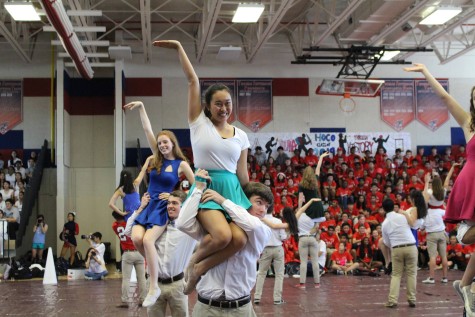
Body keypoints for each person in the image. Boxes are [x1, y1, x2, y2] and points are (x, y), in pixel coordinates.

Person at [154, 40, 254, 295]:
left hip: (232, 189)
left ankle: (199, 269)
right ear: (208, 106)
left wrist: (251, 199)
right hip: (206, 186)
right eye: (219, 103)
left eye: (228, 103)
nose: (224, 108)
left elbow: (242, 173)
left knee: (240, 239)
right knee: (222, 236)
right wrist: (179, 47)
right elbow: (192, 81)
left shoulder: (242, 135)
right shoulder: (198, 123)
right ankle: (192, 264)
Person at [405, 63, 475, 314]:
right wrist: (426, 72)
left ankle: (466, 286)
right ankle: (468, 289)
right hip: (471, 181)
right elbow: (445, 98)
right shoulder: (469, 124)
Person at [124, 101, 194, 307]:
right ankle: (157, 268)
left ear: (173, 144)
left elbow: (195, 186)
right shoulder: (156, 159)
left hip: (162, 207)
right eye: (160, 143)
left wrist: (175, 196)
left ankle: (153, 285)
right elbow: (147, 128)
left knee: (147, 241)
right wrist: (142, 107)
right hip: (147, 204)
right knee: (136, 238)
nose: (162, 145)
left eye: (166, 142)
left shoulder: (180, 164)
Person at [176, 169, 273, 317]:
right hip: (207, 307)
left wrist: (222, 200)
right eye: (259, 202)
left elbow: (252, 225)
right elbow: (182, 223)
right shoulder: (215, 226)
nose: (262, 210)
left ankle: (194, 265)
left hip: (241, 308)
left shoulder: (263, 230)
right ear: (243, 201)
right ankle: (194, 265)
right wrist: (197, 188)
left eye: (266, 206)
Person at [137, 190, 197, 317]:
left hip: (177, 284)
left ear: (184, 206)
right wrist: (141, 207)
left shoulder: (190, 228)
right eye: (169, 203)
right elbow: (130, 233)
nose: (170, 206)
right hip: (154, 283)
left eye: (175, 203)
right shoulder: (153, 227)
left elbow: (197, 198)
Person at [381, 199, 417, 308]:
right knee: (411, 273)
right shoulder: (402, 217)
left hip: (396, 248)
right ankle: (412, 299)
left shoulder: (384, 223)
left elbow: (386, 242)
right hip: (411, 246)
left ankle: (392, 300)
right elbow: (413, 224)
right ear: (394, 207)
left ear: (383, 209)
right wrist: (406, 212)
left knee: (396, 275)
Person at [112, 206, 147, 308]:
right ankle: (143, 300)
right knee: (141, 278)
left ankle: (125, 300)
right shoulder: (131, 224)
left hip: (127, 253)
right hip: (139, 251)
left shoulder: (114, 225)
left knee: (126, 278)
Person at [254, 206, 287, 305]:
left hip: (266, 249)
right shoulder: (278, 221)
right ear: (273, 210)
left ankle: (257, 297)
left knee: (261, 273)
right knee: (279, 274)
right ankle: (277, 298)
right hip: (278, 248)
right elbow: (283, 237)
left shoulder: (260, 221)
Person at [421, 173, 448, 284]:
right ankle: (445, 277)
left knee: (432, 256)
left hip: (432, 235)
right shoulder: (441, 211)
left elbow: (424, 196)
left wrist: (426, 182)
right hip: (442, 233)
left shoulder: (427, 213)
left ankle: (431, 278)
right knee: (444, 256)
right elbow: (446, 182)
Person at [295, 197, 322, 289]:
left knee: (303, 262)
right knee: (315, 261)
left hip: (302, 239)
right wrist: (311, 232)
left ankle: (302, 284)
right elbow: (317, 227)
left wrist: (301, 200)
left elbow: (300, 208)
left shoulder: (298, 215)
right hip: (312, 238)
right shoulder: (313, 216)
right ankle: (317, 283)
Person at [298, 152, 329, 223]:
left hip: (309, 206)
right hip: (318, 205)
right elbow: (318, 168)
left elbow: (300, 199)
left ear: (304, 173)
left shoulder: (301, 184)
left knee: (310, 223)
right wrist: (321, 157)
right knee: (316, 224)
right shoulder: (315, 179)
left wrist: (299, 209)